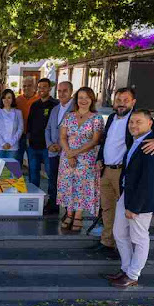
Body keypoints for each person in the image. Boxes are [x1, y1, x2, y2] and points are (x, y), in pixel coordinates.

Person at [93, 87, 154, 254]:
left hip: (122, 173)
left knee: (123, 214)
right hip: (106, 170)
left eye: (126, 100)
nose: (121, 103)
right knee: (108, 208)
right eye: (118, 100)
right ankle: (106, 242)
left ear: (133, 102)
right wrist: (100, 159)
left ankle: (123, 249)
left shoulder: (135, 119)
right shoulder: (111, 117)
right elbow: (106, 141)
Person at [103, 109, 154, 288]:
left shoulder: (152, 145)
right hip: (127, 194)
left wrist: (135, 207)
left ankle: (133, 274)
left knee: (139, 238)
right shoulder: (137, 140)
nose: (134, 125)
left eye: (139, 122)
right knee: (119, 233)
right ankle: (126, 268)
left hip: (141, 201)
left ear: (150, 123)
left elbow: (148, 180)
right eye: (132, 122)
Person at [57, 87, 104, 232]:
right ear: (76, 100)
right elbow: (63, 137)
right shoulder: (69, 116)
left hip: (86, 159)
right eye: (80, 97)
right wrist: (69, 154)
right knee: (68, 185)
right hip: (67, 157)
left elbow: (95, 141)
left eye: (87, 97)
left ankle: (78, 215)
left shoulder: (96, 118)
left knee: (82, 188)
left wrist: (75, 153)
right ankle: (69, 214)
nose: (83, 100)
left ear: (92, 100)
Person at [44, 81, 74, 215]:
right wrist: (50, 144)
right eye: (60, 91)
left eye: (65, 90)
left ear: (71, 92)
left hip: (66, 152)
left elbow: (74, 133)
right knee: (52, 178)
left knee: (67, 181)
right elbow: (48, 128)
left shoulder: (75, 108)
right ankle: (53, 205)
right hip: (52, 152)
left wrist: (61, 147)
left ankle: (69, 211)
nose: (62, 93)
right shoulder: (55, 108)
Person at [26, 78, 58, 189]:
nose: (41, 89)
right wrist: (28, 139)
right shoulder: (34, 105)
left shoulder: (55, 105)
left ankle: (51, 201)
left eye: (44, 87)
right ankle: (34, 199)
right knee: (33, 175)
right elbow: (30, 123)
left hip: (48, 147)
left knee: (51, 175)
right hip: (33, 146)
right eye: (39, 87)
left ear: (50, 88)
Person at [0, 89, 24, 170]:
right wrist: (3, 143)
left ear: (12, 99)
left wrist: (11, 143)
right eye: (4, 98)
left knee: (11, 172)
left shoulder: (18, 112)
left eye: (9, 98)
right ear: (1, 99)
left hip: (12, 147)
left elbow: (20, 129)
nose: (6, 100)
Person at [15, 77, 39, 166]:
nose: (26, 88)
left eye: (29, 85)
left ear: (34, 87)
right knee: (17, 161)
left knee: (33, 162)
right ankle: (16, 180)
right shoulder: (18, 100)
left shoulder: (39, 99)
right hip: (19, 135)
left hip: (33, 136)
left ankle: (32, 180)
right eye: (24, 86)